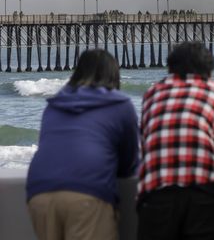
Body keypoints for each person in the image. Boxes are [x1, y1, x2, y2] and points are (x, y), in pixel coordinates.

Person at [26, 49, 139, 240]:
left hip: (39, 192)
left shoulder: (54, 104)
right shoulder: (120, 105)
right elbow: (129, 163)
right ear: (114, 75)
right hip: (87, 193)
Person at [136, 41, 214, 240]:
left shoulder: (152, 94)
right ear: (209, 70)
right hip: (203, 192)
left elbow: (146, 139)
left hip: (157, 192)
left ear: (171, 68)